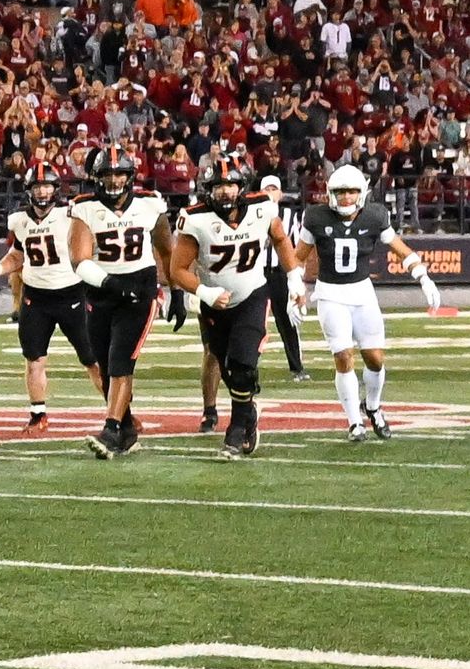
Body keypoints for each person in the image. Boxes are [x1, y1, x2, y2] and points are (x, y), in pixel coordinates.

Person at [165, 154, 301, 461]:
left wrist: (293, 276)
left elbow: (279, 238)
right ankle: (248, 413)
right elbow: (178, 269)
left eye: (231, 185)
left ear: (242, 186)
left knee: (243, 363)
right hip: (214, 302)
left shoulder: (262, 206)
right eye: (219, 186)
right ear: (207, 188)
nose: (225, 192)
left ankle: (237, 430)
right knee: (223, 365)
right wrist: (203, 291)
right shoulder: (195, 217)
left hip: (252, 294)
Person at [294, 163, 440, 441]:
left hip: (362, 292)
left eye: (351, 191)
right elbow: (298, 257)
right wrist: (295, 288)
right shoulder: (315, 217)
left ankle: (372, 405)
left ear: (362, 193)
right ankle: (353, 422)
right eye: (340, 192)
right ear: (330, 193)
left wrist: (423, 277)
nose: (346, 197)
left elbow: (400, 249)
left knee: (375, 359)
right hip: (330, 294)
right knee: (343, 355)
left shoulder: (374, 216)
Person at [70, 144, 171, 458]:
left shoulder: (150, 204)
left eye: (120, 174)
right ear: (97, 176)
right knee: (103, 364)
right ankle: (126, 427)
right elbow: (79, 260)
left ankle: (112, 428)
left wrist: (175, 291)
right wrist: (110, 283)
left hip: (139, 288)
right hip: (101, 288)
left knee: (120, 362)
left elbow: (167, 249)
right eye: (108, 175)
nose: (114, 181)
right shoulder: (84, 207)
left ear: (131, 175)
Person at [0, 166, 101, 430]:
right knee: (34, 359)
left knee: (92, 359)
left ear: (56, 189)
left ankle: (119, 412)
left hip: (72, 293)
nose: (42, 191)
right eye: (37, 186)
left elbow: (92, 245)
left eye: (47, 186)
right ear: (29, 190)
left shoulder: (70, 215)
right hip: (36, 298)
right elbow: (17, 256)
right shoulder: (19, 220)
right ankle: (38, 414)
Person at [260, 173, 310, 382]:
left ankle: (297, 367)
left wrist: (297, 278)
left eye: (273, 189)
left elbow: (298, 247)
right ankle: (244, 367)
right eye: (266, 189)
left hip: (280, 273)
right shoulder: (252, 212)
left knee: (288, 322)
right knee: (251, 322)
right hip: (257, 274)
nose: (270, 193)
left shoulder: (289, 214)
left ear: (280, 193)